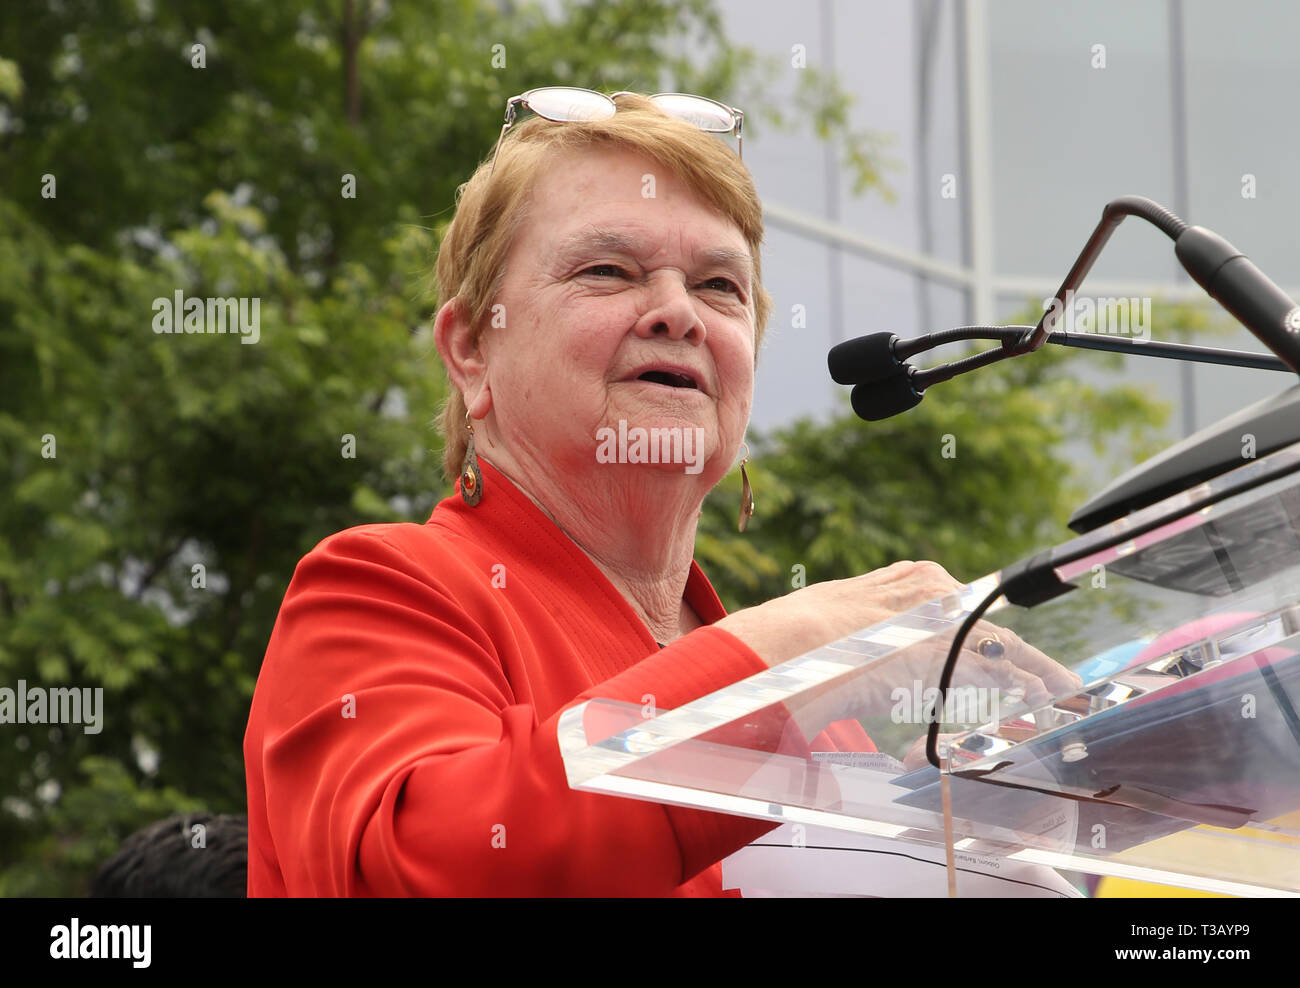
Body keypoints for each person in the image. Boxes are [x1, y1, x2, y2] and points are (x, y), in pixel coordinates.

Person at [243, 88, 1079, 897]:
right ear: (470, 350)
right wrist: (799, 648)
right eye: (609, 270)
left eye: (721, 286)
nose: (677, 312)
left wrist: (953, 852)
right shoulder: (378, 591)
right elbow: (427, 871)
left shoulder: (823, 711)